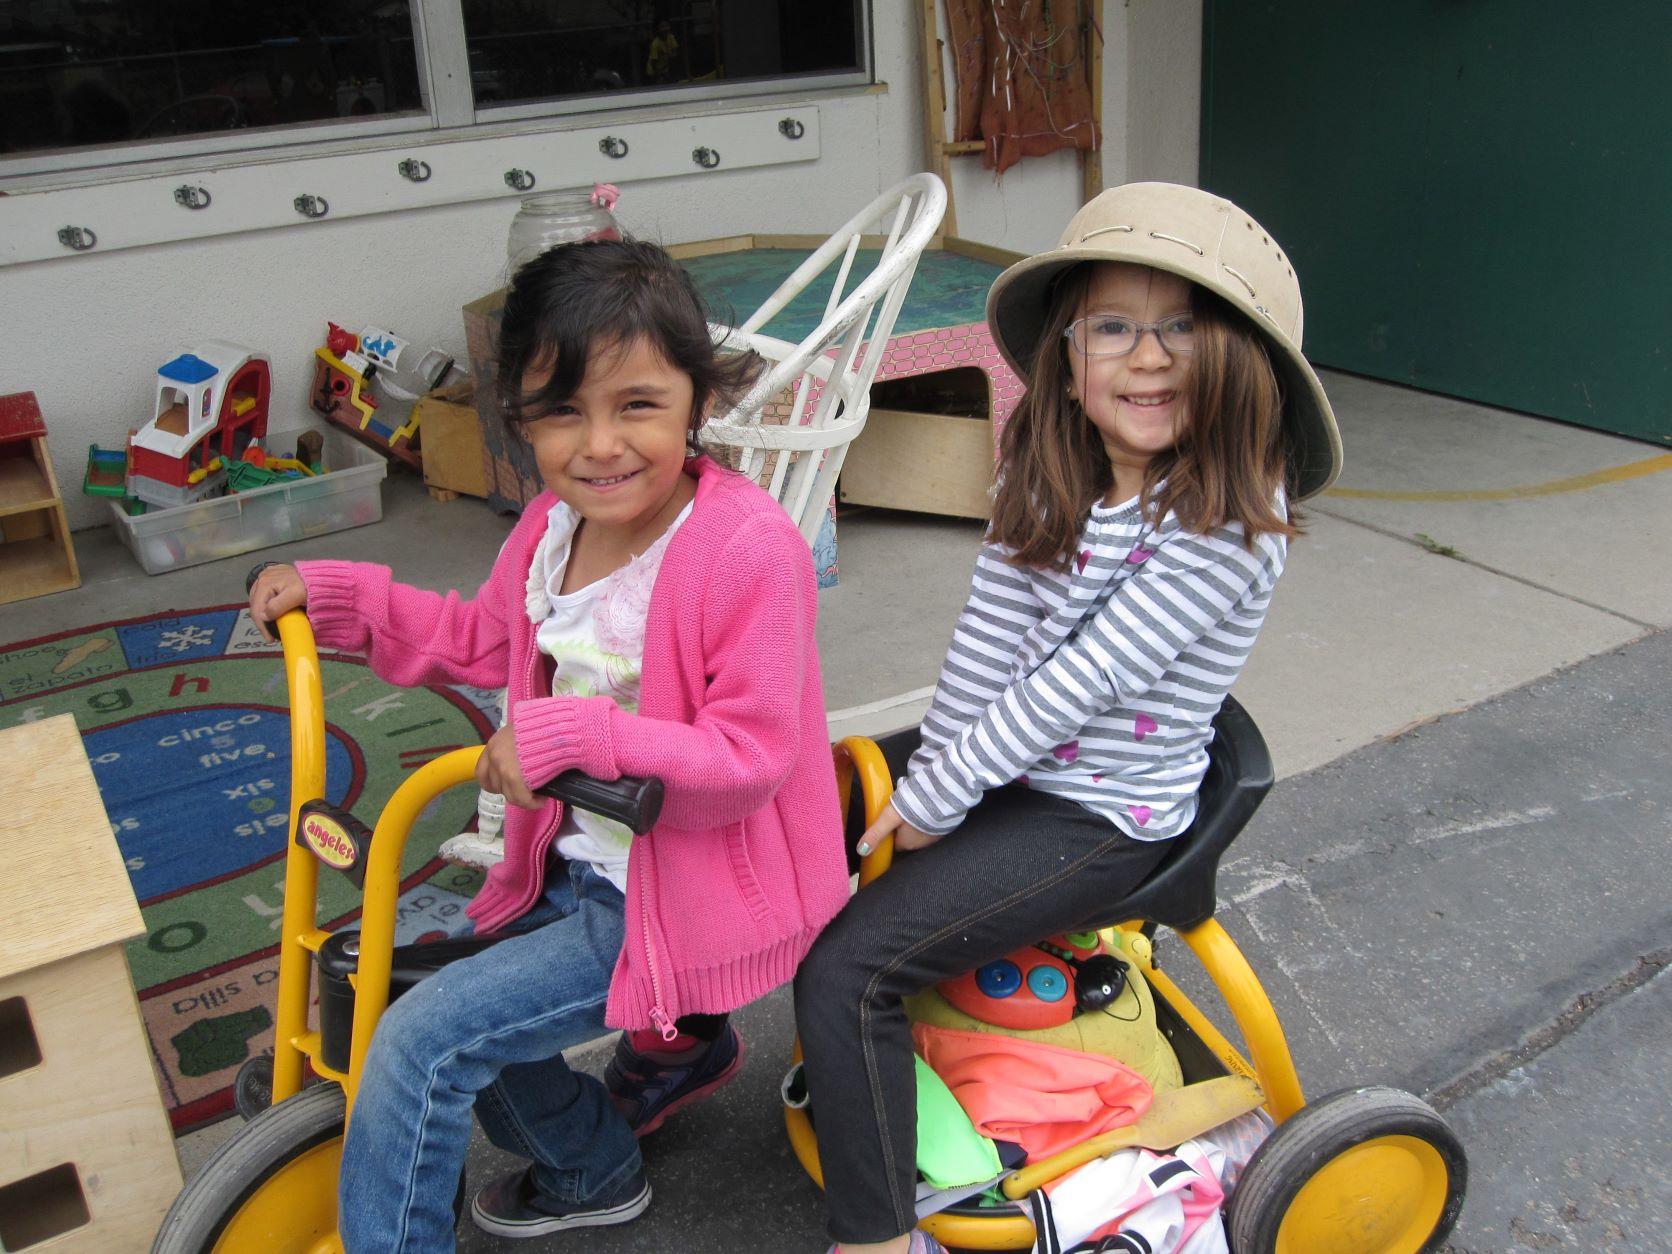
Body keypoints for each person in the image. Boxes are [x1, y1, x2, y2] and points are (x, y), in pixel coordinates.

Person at [248, 238, 849, 1250]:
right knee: (400, 981)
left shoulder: (746, 550)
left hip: (682, 890)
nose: (600, 445)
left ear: (697, 402)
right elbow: (489, 641)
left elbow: (750, 757)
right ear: (520, 419)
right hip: (578, 864)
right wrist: (344, 599)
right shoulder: (548, 527)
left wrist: (580, 736)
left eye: (637, 406)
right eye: (562, 410)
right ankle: (589, 1162)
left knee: (420, 1045)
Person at [792, 181, 1343, 1254]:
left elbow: (1074, 685)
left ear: (1242, 359)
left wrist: (935, 803)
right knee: (805, 818)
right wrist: (929, 782)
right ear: (1067, 353)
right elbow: (990, 644)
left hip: (1101, 815)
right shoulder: (1052, 469)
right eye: (1112, 326)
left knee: (849, 970)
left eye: (1183, 325)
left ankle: (873, 1236)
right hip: (1022, 766)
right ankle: (707, 1048)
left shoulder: (1227, 522)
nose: (1148, 356)